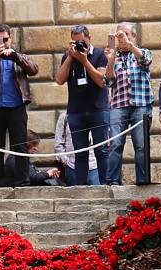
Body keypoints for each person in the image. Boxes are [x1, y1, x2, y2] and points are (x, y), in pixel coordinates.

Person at [0, 23, 39, 187]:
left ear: (10, 39)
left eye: (5, 39)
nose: (3, 43)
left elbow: (34, 70)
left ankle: (22, 181)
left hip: (16, 107)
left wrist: (16, 57)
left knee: (19, 145)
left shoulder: (19, 57)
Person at [55, 24, 109, 186]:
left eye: (82, 42)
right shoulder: (68, 56)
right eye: (75, 42)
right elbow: (59, 80)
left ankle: (105, 185)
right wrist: (71, 57)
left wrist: (84, 61)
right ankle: (80, 187)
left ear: (89, 39)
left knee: (101, 150)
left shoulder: (99, 54)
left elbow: (101, 81)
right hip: (76, 111)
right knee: (80, 152)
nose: (79, 45)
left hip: (97, 109)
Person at [105, 22, 154, 185]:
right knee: (115, 144)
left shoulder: (142, 52)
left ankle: (143, 180)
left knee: (141, 145)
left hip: (140, 105)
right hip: (119, 105)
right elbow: (109, 82)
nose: (122, 38)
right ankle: (113, 181)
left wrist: (129, 44)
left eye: (126, 34)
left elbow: (145, 60)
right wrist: (110, 62)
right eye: (119, 35)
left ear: (134, 36)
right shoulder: (114, 56)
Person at [54, 110, 99, 185]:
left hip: (94, 166)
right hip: (72, 166)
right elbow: (58, 142)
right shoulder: (65, 116)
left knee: (97, 195)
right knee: (75, 195)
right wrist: (65, 160)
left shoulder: (98, 114)